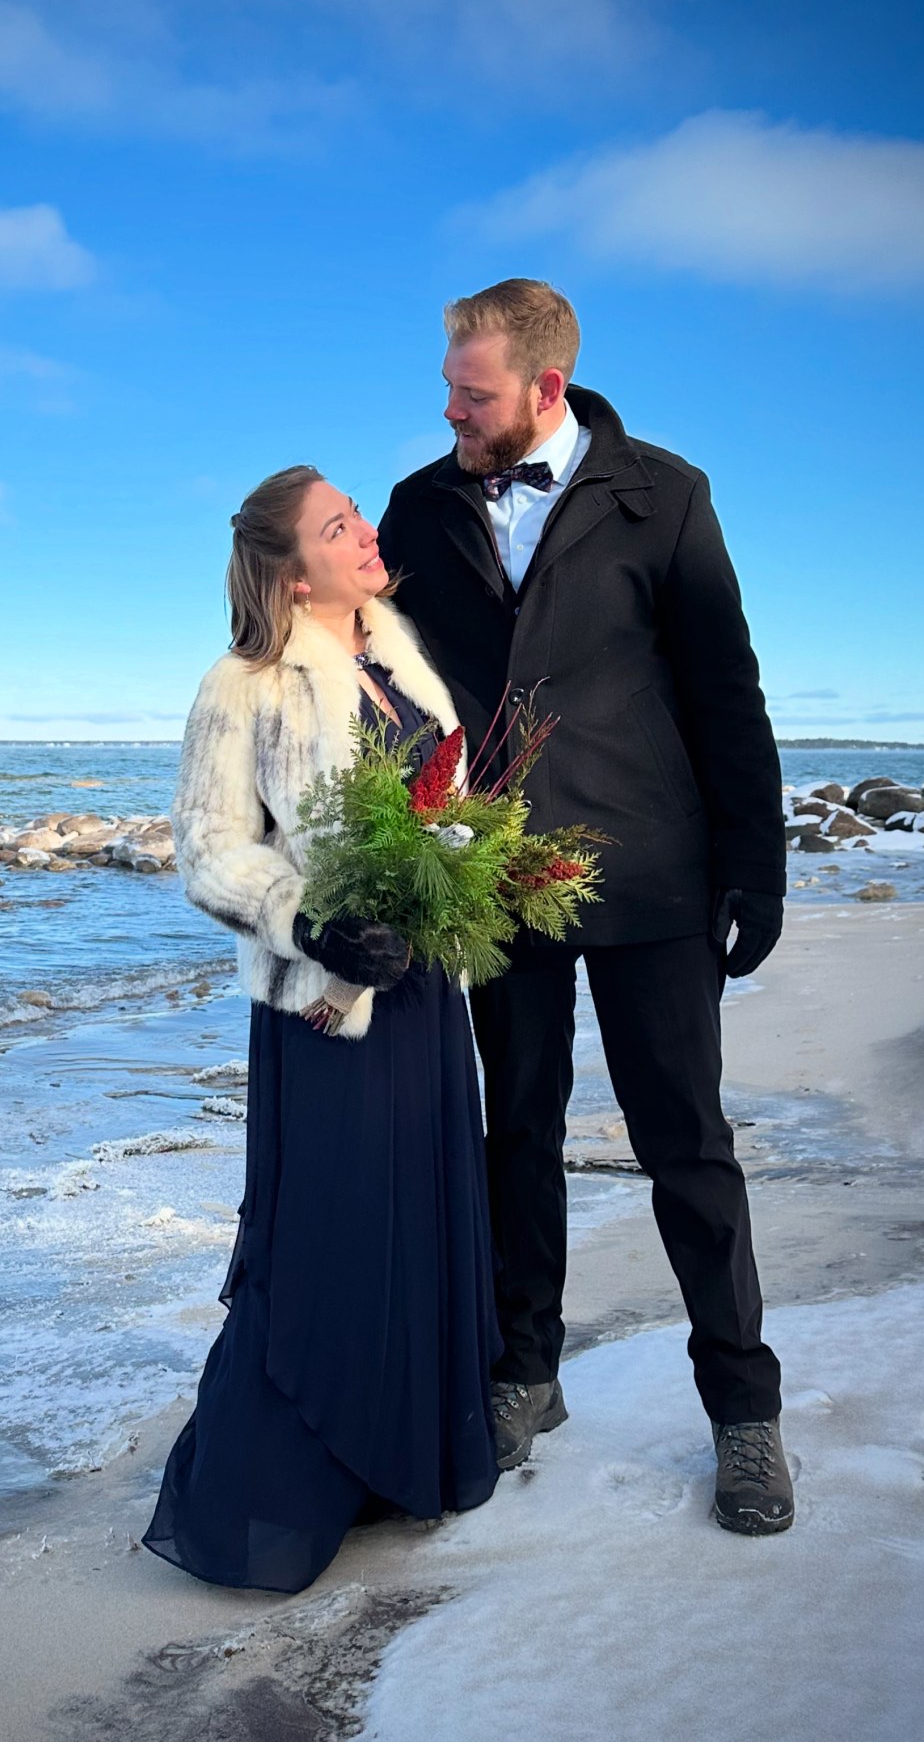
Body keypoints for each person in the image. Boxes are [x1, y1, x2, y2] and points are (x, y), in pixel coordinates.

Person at [377, 279, 795, 1536]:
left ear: (544, 390)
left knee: (687, 1147)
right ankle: (524, 1376)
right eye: (448, 384)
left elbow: (725, 685)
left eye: (472, 391)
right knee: (518, 1134)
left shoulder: (662, 494)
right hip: (493, 876)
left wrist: (753, 862)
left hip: (652, 870)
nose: (448, 408)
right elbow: (385, 692)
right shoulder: (417, 504)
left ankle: (743, 1416)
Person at [143, 466, 500, 1592]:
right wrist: (314, 925)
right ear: (290, 570)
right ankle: (281, 1496)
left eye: (358, 518)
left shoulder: (394, 658)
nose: (364, 534)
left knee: (420, 1224)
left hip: (424, 993)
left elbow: (441, 809)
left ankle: (397, 1467)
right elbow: (205, 850)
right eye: (336, 527)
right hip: (327, 1004)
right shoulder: (242, 681)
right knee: (330, 1243)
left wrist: (483, 871)